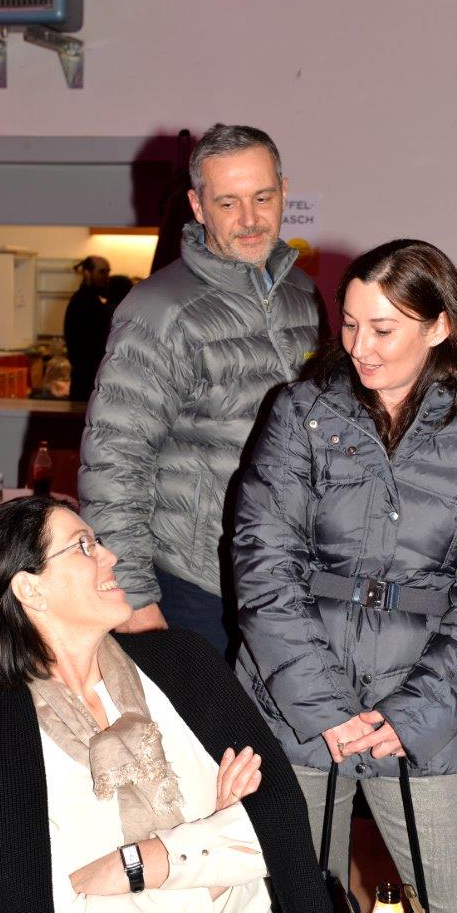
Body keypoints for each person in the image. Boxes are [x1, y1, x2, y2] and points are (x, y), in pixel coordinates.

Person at [233, 239, 457, 913]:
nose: (359, 347)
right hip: (297, 711)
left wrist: (414, 715)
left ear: (439, 326)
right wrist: (324, 708)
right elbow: (263, 566)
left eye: (383, 329)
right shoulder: (298, 414)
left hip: (424, 717)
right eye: (350, 324)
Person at [0, 495, 334, 913]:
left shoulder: (184, 666)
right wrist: (212, 856)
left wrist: (137, 864)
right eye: (83, 546)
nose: (110, 556)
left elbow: (278, 823)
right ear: (30, 589)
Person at [79, 124, 323, 657]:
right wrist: (134, 599)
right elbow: (114, 461)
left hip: (286, 581)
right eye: (228, 203)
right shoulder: (158, 310)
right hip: (195, 585)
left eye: (263, 198)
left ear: (284, 191)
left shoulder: (305, 296)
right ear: (198, 205)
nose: (250, 219)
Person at [64, 255, 113, 402]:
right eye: (102, 272)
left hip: (89, 381)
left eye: (108, 272)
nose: (106, 277)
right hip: (86, 383)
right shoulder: (84, 302)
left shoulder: (90, 300)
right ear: (87, 273)